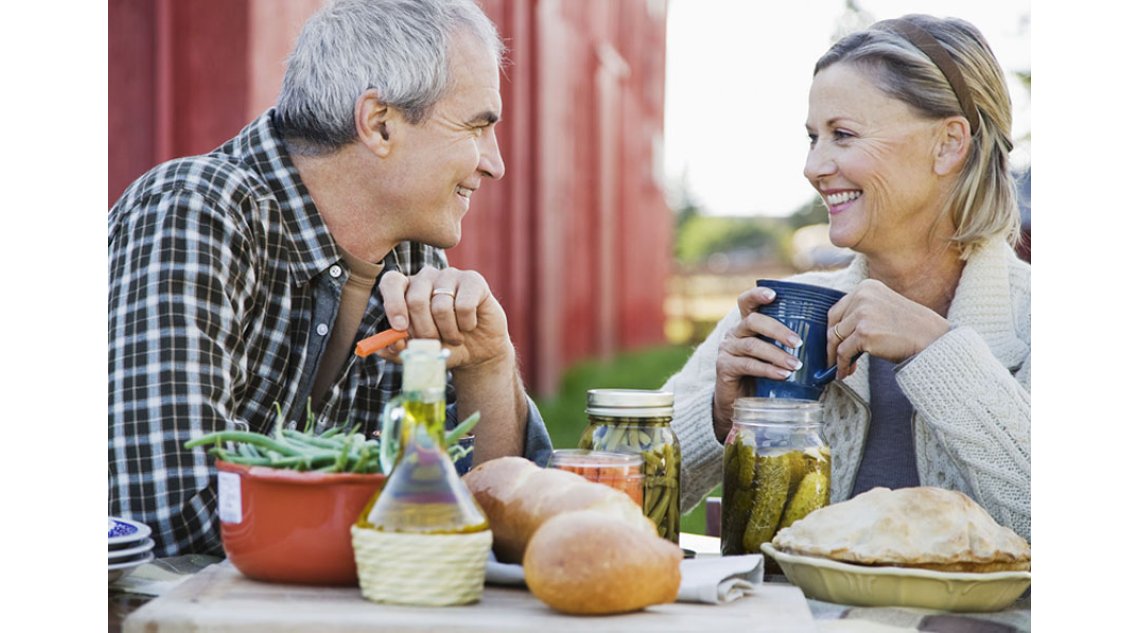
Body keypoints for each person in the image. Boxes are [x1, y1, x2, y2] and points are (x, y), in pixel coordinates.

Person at [108, 0, 553, 557]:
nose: (495, 163)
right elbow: (166, 521)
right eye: (476, 127)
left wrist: (488, 365)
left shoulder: (414, 263)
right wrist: (404, 530)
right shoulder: (195, 211)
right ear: (379, 123)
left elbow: (496, 526)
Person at [664, 14, 1030, 541]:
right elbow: (605, 496)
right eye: (813, 138)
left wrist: (938, 352)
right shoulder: (781, 314)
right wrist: (720, 416)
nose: (814, 166)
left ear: (949, 143)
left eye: (843, 135)